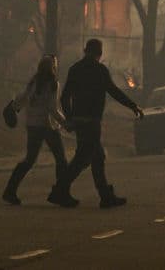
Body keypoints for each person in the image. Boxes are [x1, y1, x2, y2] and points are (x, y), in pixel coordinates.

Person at [47, 38, 143, 209]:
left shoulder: (75, 69)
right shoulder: (100, 70)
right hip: (92, 121)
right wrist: (133, 106)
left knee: (96, 157)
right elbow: (114, 91)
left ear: (86, 50)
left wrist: (70, 118)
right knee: (83, 159)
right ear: (100, 53)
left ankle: (104, 195)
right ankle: (60, 190)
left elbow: (64, 96)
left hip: (79, 121)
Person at [2, 54, 69, 205]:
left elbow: (24, 97)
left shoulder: (34, 81)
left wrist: (13, 107)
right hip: (47, 126)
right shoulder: (53, 84)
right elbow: (52, 108)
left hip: (32, 125)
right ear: (53, 67)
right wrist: (65, 123)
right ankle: (61, 193)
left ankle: (10, 190)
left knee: (29, 160)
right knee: (61, 160)